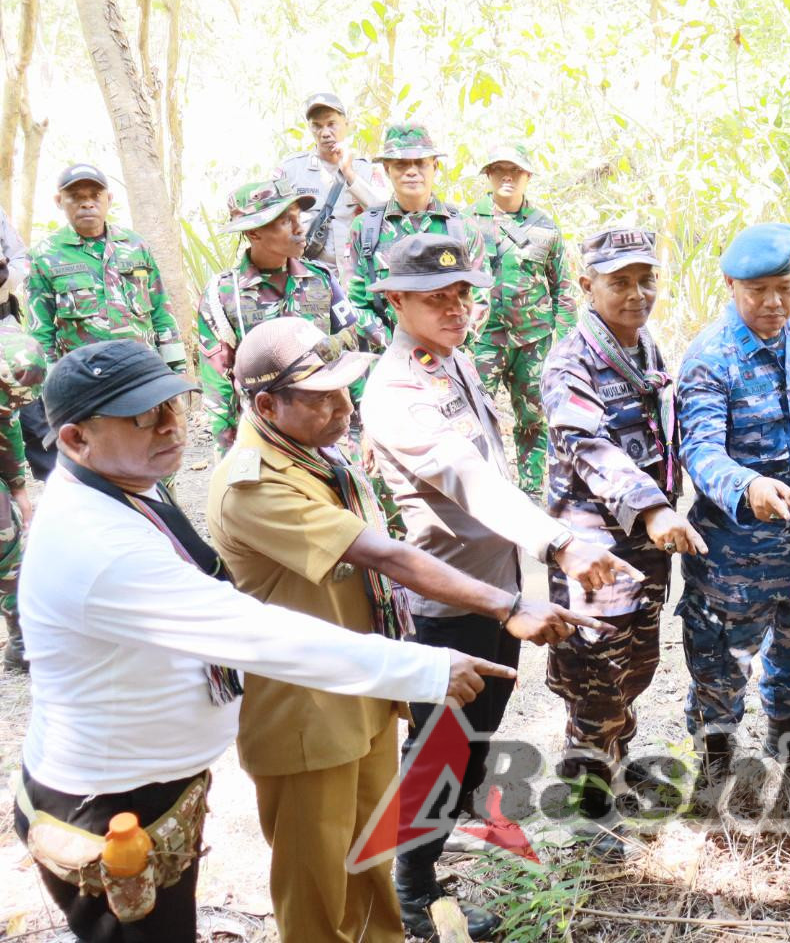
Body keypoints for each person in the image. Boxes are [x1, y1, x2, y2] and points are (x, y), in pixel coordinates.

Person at [13, 339, 512, 942]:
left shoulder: (125, 487)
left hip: (157, 786)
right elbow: (254, 632)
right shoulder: (100, 546)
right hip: (109, 802)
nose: (171, 426)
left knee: (360, 871)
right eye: (143, 418)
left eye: (174, 404)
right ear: (75, 439)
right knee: (313, 893)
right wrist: (428, 669)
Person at [208, 317, 611, 943]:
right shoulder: (255, 485)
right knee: (318, 893)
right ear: (266, 406)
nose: (345, 409)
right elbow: (387, 556)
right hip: (306, 714)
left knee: (368, 869)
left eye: (345, 392)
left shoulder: (313, 454)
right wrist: (507, 606)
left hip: (360, 693)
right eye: (322, 398)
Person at [361, 233, 639, 931]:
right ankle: (413, 891)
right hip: (448, 600)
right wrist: (560, 542)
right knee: (441, 748)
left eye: (462, 294)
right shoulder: (398, 391)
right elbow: (469, 480)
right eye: (436, 298)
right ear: (394, 301)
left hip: (495, 587)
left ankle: (437, 843)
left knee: (473, 740)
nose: (456, 308)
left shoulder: (448, 361)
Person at [540, 228, 704, 852]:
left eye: (645, 280)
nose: (637, 294)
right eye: (620, 282)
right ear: (587, 286)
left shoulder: (643, 348)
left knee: (635, 665)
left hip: (645, 546)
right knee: (594, 676)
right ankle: (587, 807)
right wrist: (655, 508)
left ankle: (613, 766)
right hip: (595, 552)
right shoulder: (570, 363)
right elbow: (590, 446)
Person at [676, 222, 790, 778]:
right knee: (721, 667)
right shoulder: (710, 357)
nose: (773, 303)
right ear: (730, 286)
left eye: (784, 289)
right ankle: (716, 763)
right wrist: (747, 486)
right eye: (758, 291)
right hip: (736, 561)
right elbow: (700, 449)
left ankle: (788, 741)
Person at [22, 163, 185, 477]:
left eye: (94, 195)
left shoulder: (135, 246)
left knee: (157, 457)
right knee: (101, 463)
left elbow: (160, 312)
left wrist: (176, 371)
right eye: (76, 196)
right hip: (88, 384)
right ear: (59, 202)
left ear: (108, 199)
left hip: (143, 376)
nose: (87, 203)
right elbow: (41, 333)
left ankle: (159, 506)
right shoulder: (44, 256)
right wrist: (54, 393)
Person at [197, 178, 380, 457]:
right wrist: (228, 457)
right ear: (254, 232)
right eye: (285, 221)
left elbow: (349, 351)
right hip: (265, 438)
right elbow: (218, 385)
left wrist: (366, 427)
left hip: (325, 433)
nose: (299, 228)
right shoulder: (223, 294)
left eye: (298, 217)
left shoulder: (321, 280)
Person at [470, 143, 576, 494]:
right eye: (500, 169)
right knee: (477, 418)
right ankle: (488, 491)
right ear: (488, 174)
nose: (507, 177)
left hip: (533, 340)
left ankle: (532, 493)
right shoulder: (466, 222)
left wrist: (566, 346)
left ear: (527, 176)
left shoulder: (544, 227)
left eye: (515, 170)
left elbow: (562, 288)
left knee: (533, 419)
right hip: (484, 339)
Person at [346, 122, 486, 341]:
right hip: (387, 353)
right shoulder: (366, 228)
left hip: (450, 353)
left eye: (421, 163)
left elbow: (479, 299)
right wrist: (396, 346)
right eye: (401, 164)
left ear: (435, 166)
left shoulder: (462, 228)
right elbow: (356, 303)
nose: (412, 171)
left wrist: (451, 343)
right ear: (387, 169)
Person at [274, 92, 388, 278]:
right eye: (317, 126)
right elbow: (272, 223)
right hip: (308, 277)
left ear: (346, 124)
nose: (325, 133)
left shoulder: (367, 171)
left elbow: (386, 214)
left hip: (357, 278)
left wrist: (349, 173)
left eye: (331, 124)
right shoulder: (291, 170)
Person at [0, 253, 44, 671]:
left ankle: (22, 638)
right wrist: (17, 487)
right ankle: (22, 638)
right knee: (6, 540)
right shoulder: (17, 349)